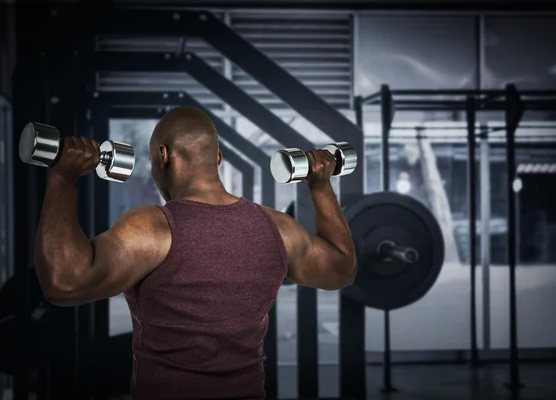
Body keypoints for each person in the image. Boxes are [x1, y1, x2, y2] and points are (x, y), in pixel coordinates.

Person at [34, 106, 357, 399]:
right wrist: (321, 185)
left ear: (163, 155)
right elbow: (341, 269)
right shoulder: (278, 229)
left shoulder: (152, 228)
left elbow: (64, 284)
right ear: (217, 158)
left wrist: (63, 176)